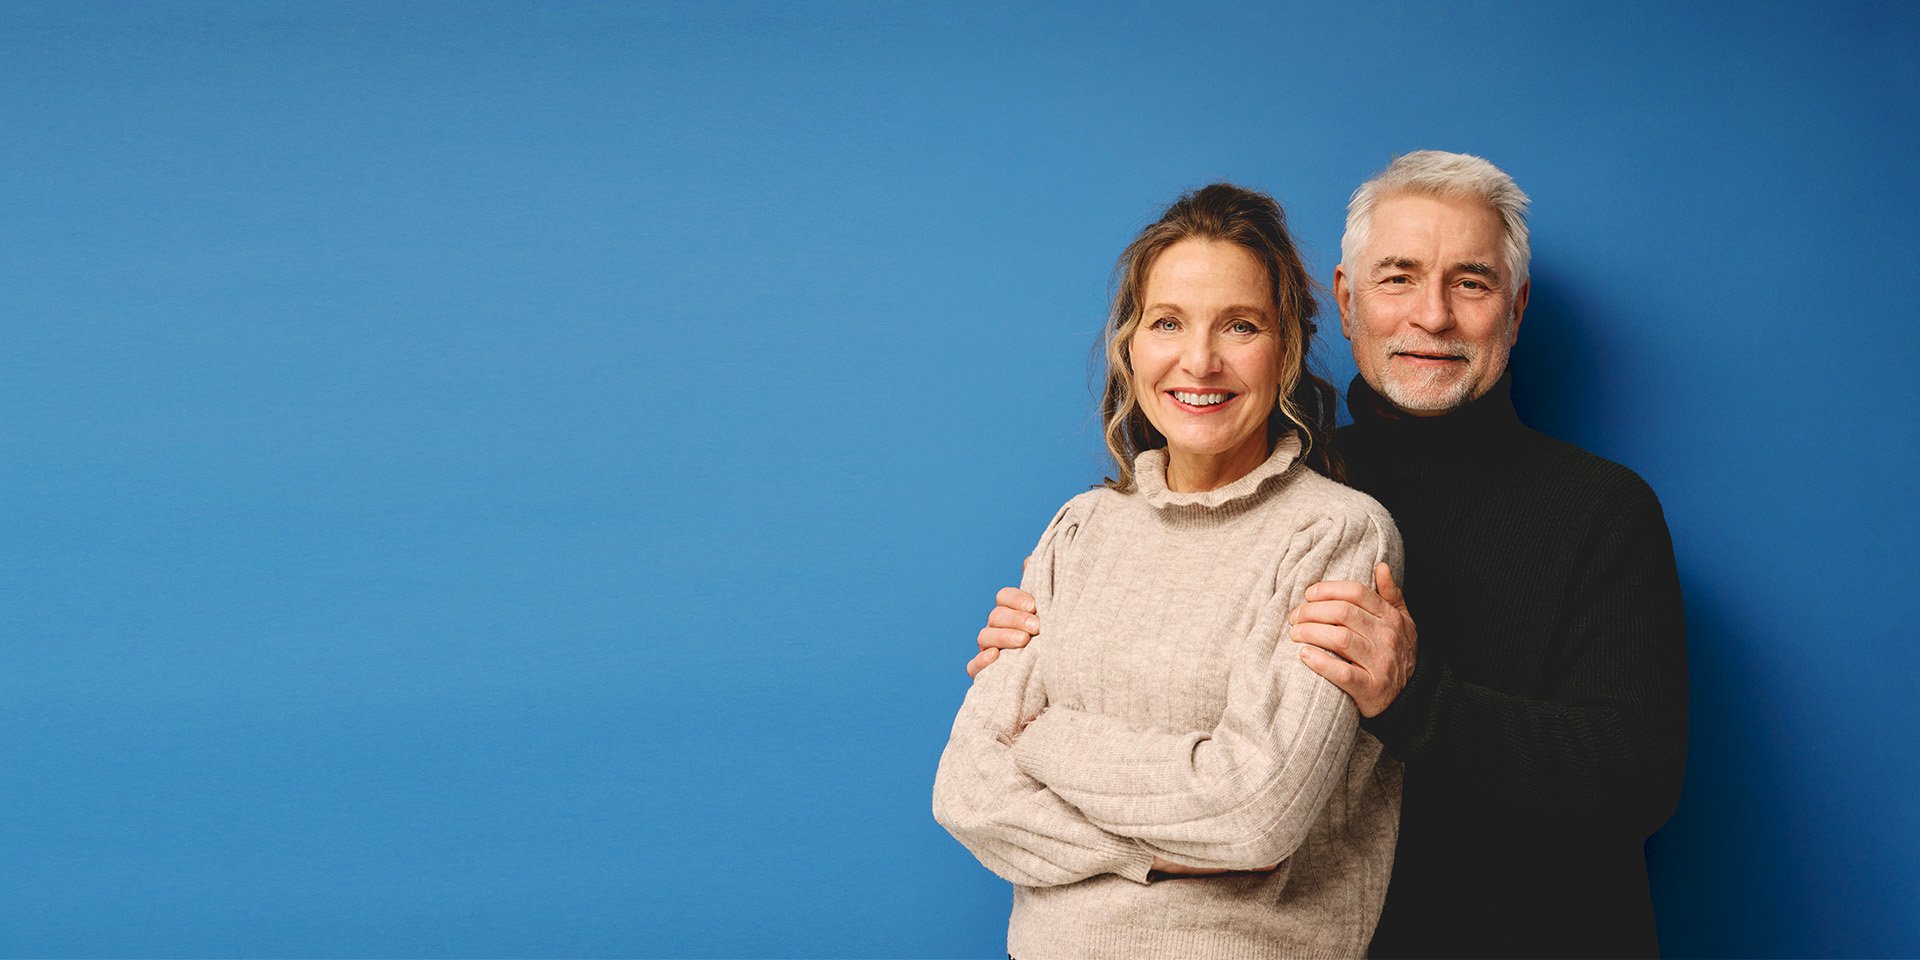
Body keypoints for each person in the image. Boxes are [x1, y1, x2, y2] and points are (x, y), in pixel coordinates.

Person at [971, 152, 1688, 958]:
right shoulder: (1273, 496)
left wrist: (1418, 701)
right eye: (1398, 278)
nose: (1433, 316)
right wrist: (1058, 648)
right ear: (1345, 303)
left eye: (1472, 284)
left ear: (1515, 311)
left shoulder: (1600, 509)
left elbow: (1640, 782)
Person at [932, 183, 1405, 960]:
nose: (1200, 360)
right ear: (1128, 345)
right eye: (1167, 323)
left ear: (1286, 349)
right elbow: (967, 793)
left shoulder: (1333, 535)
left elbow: (1255, 815)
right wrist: (1150, 853)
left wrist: (1046, 741)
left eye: (1240, 326)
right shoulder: (1081, 530)